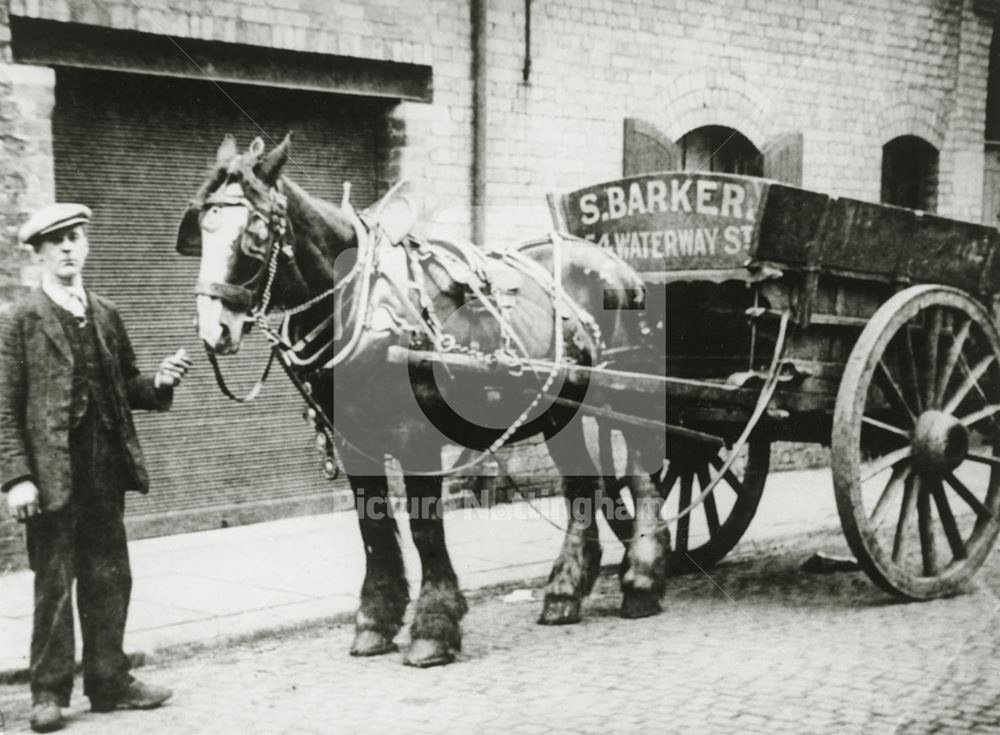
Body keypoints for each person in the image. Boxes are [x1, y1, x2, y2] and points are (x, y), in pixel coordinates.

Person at [0, 203, 193, 733]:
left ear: (86, 246)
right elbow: (3, 406)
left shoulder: (106, 313)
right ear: (38, 251)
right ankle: (48, 692)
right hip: (52, 477)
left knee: (110, 577)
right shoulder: (20, 319)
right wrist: (16, 478)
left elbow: (126, 386)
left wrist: (160, 382)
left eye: (76, 238)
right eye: (56, 240)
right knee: (55, 584)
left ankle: (109, 681)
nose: (67, 248)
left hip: (106, 469)